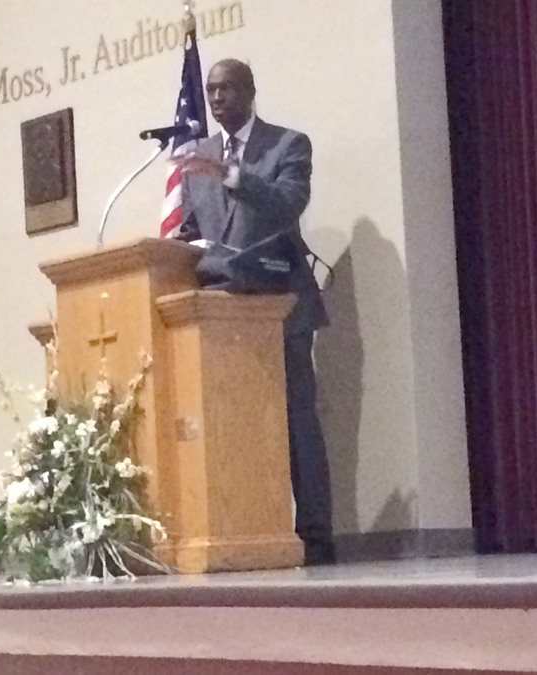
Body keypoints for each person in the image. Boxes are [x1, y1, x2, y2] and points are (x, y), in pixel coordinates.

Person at [177, 59, 335, 565]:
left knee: (296, 423)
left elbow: (289, 204)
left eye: (226, 88)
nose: (217, 97)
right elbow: (189, 232)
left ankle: (316, 536)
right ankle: (250, 529)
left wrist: (237, 176)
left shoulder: (288, 144)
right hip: (223, 317)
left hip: (280, 307)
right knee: (236, 424)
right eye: (211, 90)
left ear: (248, 91)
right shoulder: (197, 158)